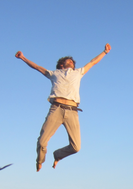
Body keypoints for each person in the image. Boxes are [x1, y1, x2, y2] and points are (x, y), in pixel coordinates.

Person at [15, 44, 111, 172]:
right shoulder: (54, 73)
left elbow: (93, 62)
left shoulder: (78, 72)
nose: (71, 62)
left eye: (72, 61)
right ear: (61, 64)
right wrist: (23, 57)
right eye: (68, 61)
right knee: (42, 141)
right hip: (56, 109)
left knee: (76, 147)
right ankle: (40, 160)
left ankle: (58, 155)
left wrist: (104, 52)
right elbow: (37, 67)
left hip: (72, 111)